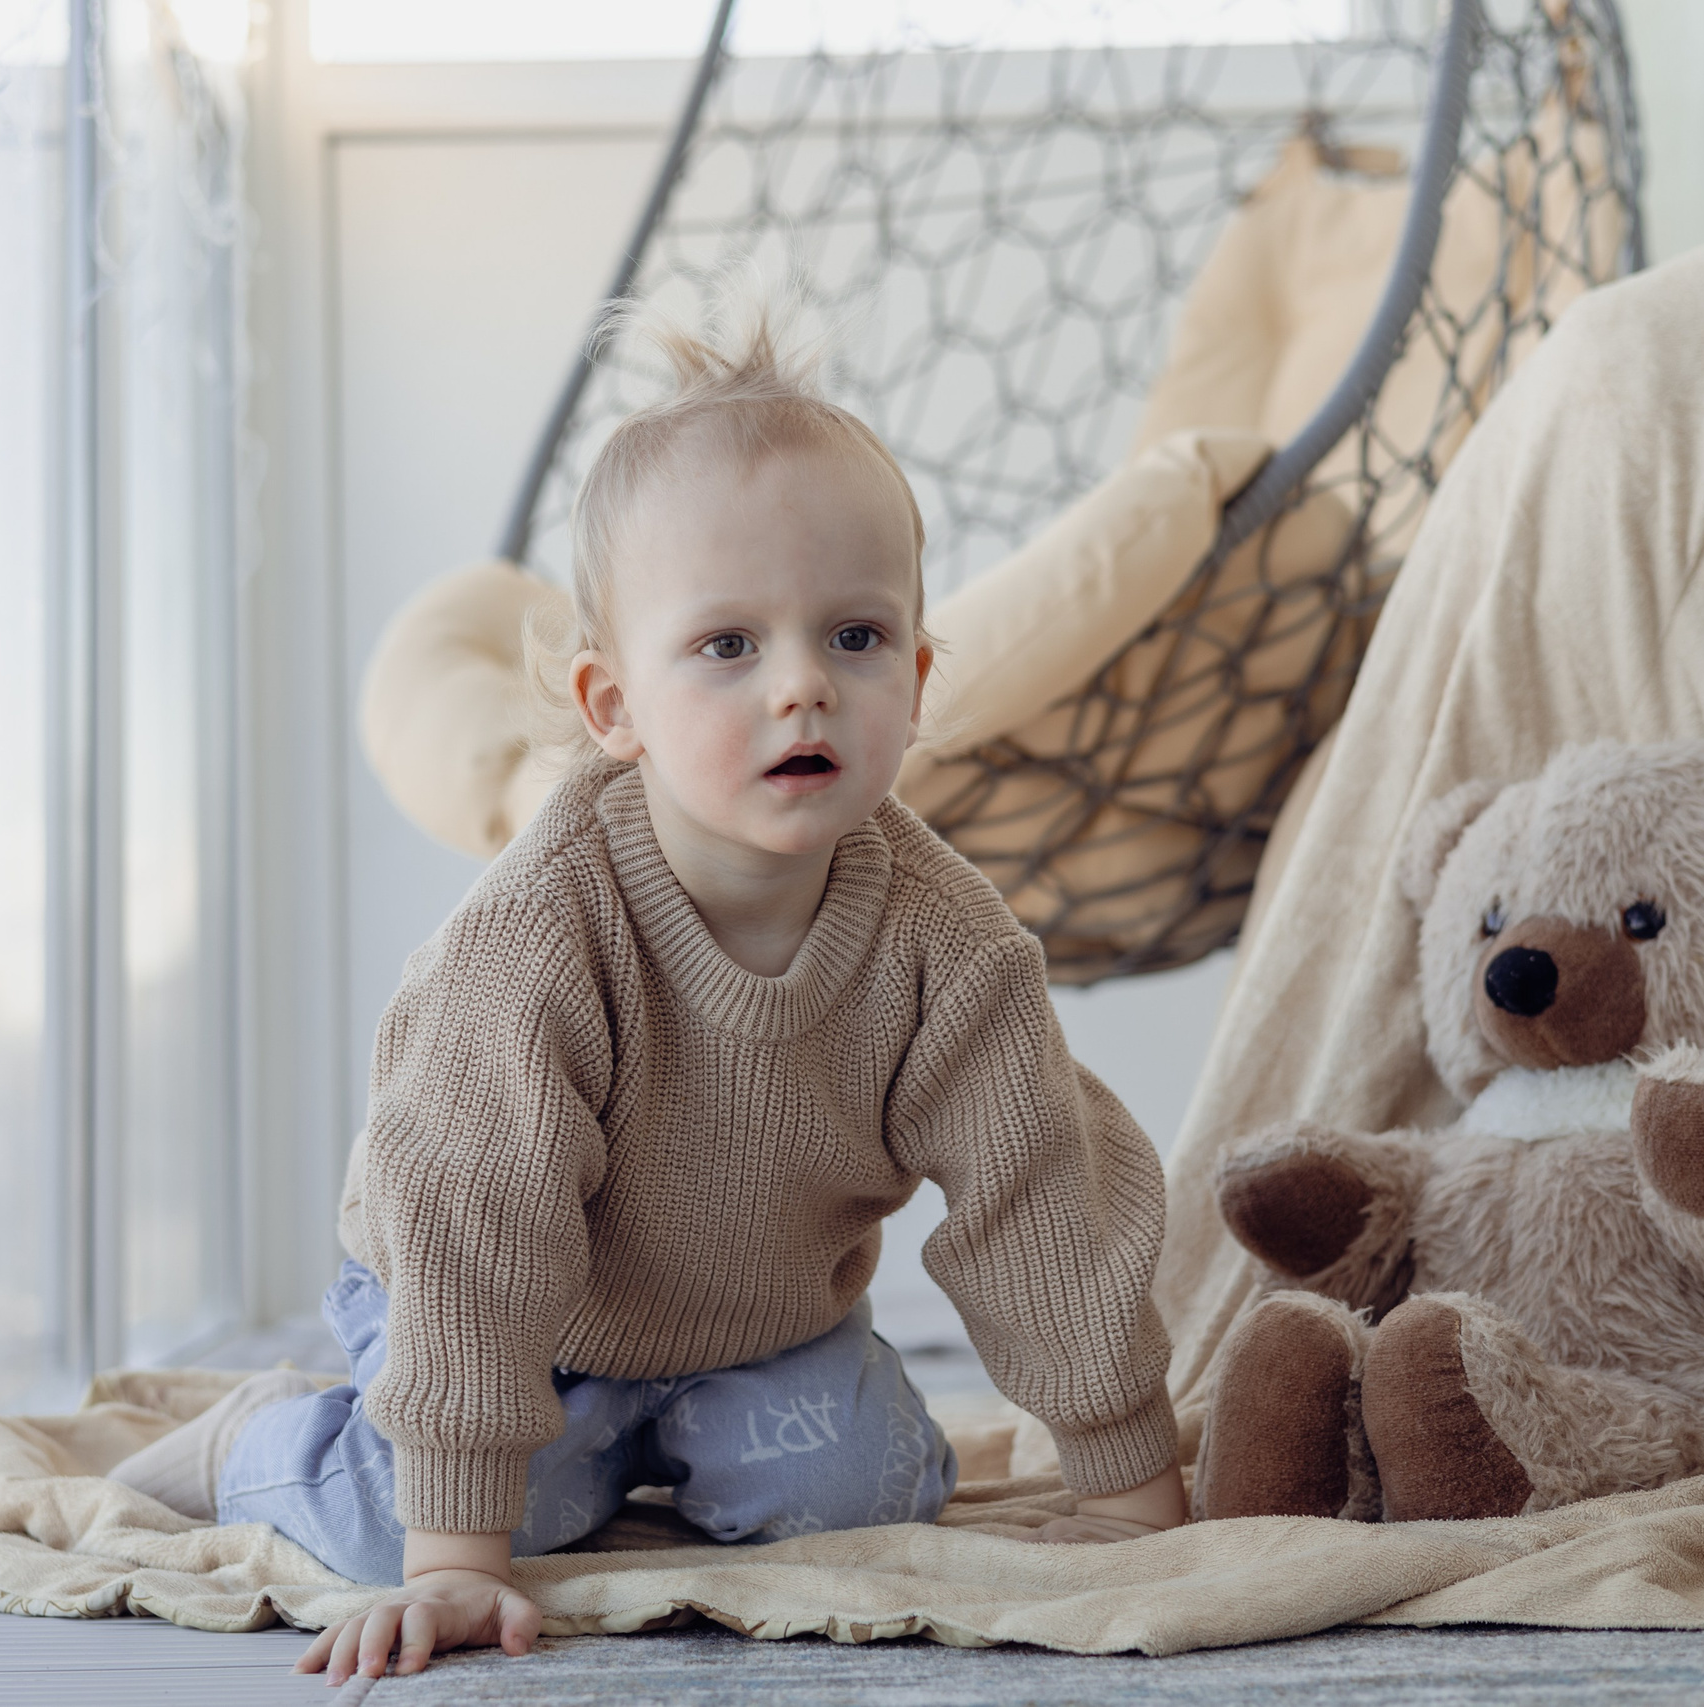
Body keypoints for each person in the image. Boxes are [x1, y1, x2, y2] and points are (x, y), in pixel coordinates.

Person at [109, 288, 1187, 1684]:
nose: (800, 687)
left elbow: (1046, 1200)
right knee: (444, 1522)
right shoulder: (545, 933)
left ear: (917, 682)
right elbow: (472, 1216)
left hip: (758, 1324)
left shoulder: (949, 947)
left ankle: (655, 1445)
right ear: (611, 706)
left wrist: (1123, 1488)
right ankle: (269, 1440)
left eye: (854, 639)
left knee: (852, 1500)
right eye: (728, 646)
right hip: (497, 1309)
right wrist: (454, 1563)